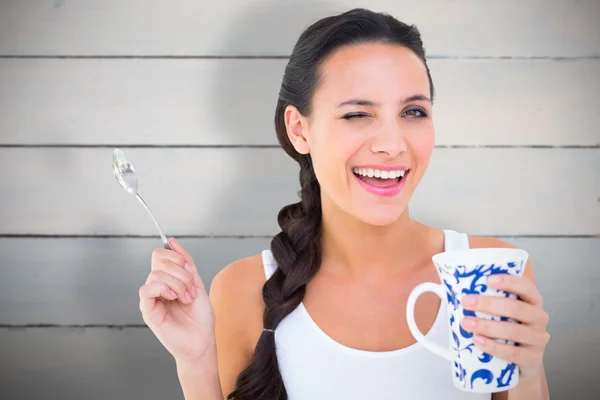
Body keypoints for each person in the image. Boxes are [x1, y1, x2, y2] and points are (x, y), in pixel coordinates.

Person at [138, 8, 550, 400]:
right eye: (356, 114)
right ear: (300, 130)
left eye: (413, 111)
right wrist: (194, 363)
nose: (392, 144)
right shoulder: (245, 291)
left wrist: (527, 373)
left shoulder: (492, 272)